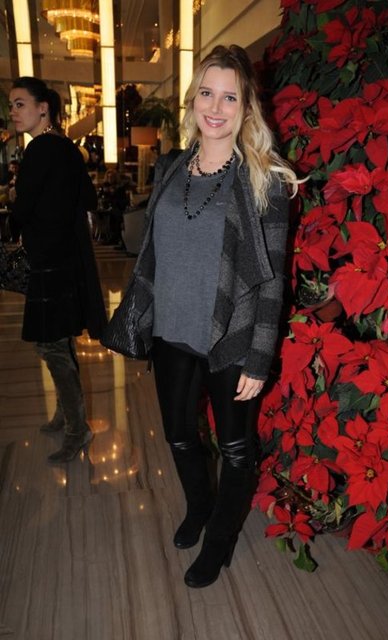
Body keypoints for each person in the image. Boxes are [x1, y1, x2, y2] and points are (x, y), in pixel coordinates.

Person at [107, 44, 299, 588]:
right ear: (193, 100)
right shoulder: (171, 167)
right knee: (178, 435)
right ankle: (199, 506)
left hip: (231, 333)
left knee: (235, 449)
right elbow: (155, 250)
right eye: (207, 94)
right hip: (170, 329)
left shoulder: (265, 180)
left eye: (229, 97)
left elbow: (272, 279)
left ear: (246, 107)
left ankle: (219, 540)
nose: (216, 107)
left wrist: (259, 358)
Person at [9, 76, 107, 463]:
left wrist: (15, 216)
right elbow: (88, 197)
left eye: (20, 104)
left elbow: (23, 208)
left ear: (42, 108)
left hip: (49, 262)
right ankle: (67, 415)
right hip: (66, 260)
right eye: (12, 105)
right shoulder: (66, 147)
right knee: (59, 343)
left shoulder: (40, 149)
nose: (13, 112)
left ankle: (77, 430)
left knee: (52, 346)